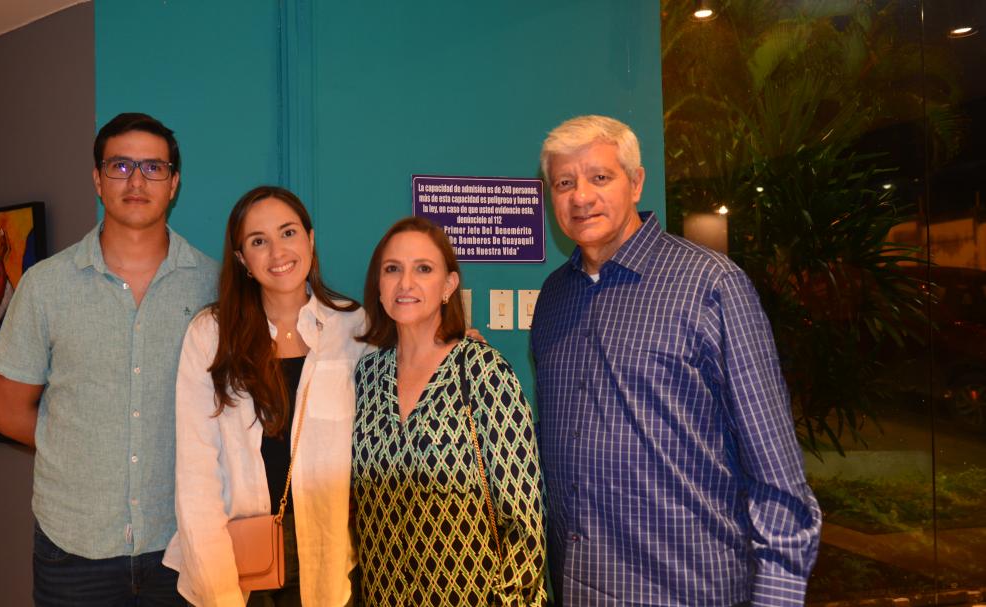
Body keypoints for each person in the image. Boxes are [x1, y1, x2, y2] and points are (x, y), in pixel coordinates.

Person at [531, 114, 821, 606]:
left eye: (600, 177)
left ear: (637, 182)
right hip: (579, 588)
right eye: (564, 182)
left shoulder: (711, 286)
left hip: (687, 589)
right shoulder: (554, 298)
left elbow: (778, 481)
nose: (581, 196)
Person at [0, 112, 218, 606]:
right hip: (72, 551)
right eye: (120, 166)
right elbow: (7, 413)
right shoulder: (45, 286)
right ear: (97, 178)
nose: (136, 181)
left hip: (183, 547)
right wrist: (78, 448)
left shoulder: (213, 286)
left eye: (153, 168)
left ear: (174, 183)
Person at [164, 186, 369, 606]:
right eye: (259, 241)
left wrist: (455, 344)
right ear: (242, 259)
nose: (278, 252)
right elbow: (196, 476)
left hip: (326, 558)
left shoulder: (352, 328)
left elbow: (407, 377)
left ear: (310, 240)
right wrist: (220, 593)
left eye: (289, 233)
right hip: (233, 559)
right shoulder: (210, 335)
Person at [352, 217, 547, 606]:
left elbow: (526, 524)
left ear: (448, 285)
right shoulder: (367, 377)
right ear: (379, 284)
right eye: (393, 269)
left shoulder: (483, 372)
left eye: (423, 269)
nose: (406, 283)